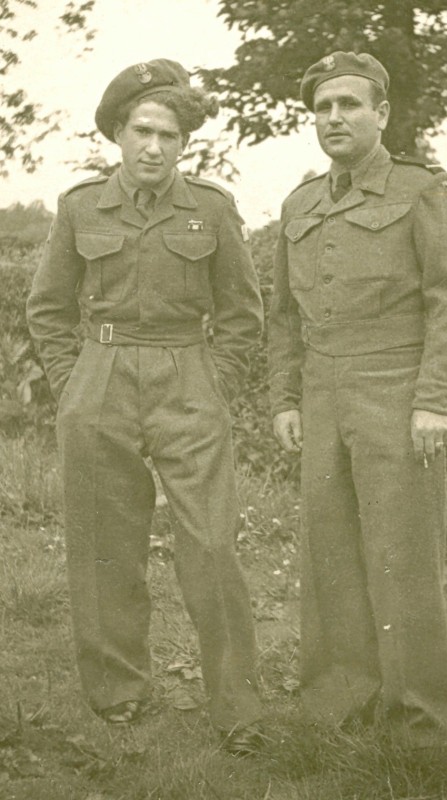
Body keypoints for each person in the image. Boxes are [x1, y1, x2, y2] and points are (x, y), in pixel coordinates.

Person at [27, 58, 263, 752]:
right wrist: (75, 382)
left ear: (185, 144)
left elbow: (243, 313)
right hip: (99, 376)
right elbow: (47, 307)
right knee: (105, 545)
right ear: (118, 134)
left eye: (168, 134)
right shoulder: (79, 206)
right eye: (142, 130)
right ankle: (117, 691)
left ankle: (238, 707)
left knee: (213, 544)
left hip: (188, 375)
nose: (154, 146)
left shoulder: (212, 209)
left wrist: (214, 380)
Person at [268, 51, 447, 750]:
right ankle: (339, 711)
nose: (334, 117)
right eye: (322, 107)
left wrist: (436, 400)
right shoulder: (300, 203)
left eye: (349, 104)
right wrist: (286, 398)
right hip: (324, 394)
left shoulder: (423, 190)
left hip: (398, 390)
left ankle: (420, 726)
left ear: (382, 113)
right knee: (328, 555)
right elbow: (282, 316)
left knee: (402, 559)